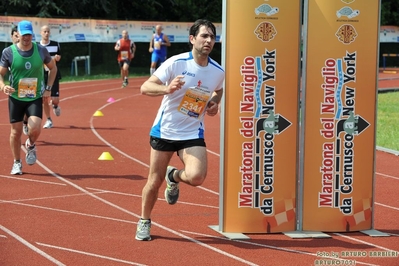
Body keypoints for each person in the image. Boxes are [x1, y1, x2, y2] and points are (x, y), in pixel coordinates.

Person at [136, 19, 225, 241]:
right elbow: (145, 87)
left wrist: (214, 102)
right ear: (192, 39)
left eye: (212, 37)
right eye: (204, 36)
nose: (208, 40)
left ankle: (174, 176)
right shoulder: (176, 63)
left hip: (192, 133)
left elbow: (219, 90)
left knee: (197, 177)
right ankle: (144, 221)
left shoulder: (218, 71)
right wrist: (167, 88)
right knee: (154, 181)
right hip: (165, 131)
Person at [0, 20, 57, 175]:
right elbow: (0, 73)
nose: (26, 38)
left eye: (29, 35)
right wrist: (3, 86)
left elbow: (53, 68)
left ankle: (31, 145)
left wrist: (48, 89)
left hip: (34, 97)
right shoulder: (9, 52)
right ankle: (17, 162)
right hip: (15, 98)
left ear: (32, 34)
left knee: (35, 128)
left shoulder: (41, 51)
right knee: (15, 132)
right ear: (17, 34)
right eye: (23, 35)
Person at [39, 25, 62, 129]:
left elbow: (59, 56)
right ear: (41, 33)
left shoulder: (55, 44)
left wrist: (57, 58)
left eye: (48, 31)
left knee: (55, 99)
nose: (46, 33)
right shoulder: (36, 46)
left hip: (53, 73)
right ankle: (49, 120)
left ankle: (55, 105)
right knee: (44, 98)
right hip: (42, 74)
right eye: (45, 31)